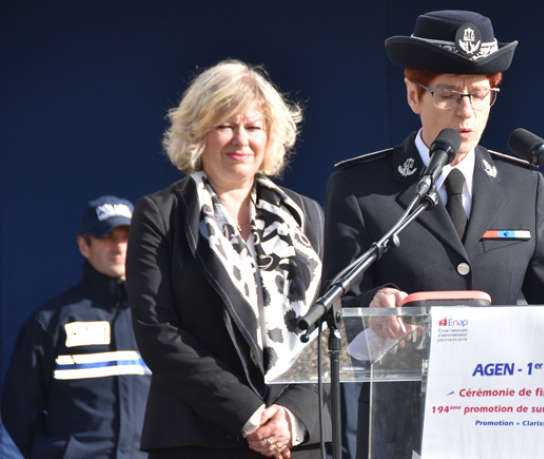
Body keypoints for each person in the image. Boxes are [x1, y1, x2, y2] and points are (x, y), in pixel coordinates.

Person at [323, 9, 544, 458]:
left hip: (499, 425)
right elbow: (338, 307)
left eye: (480, 94)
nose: (466, 111)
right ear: (413, 95)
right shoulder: (362, 188)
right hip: (402, 431)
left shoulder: (522, 186)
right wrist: (373, 309)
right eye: (448, 95)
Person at [125, 59, 329, 459]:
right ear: (198, 133)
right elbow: (158, 331)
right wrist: (248, 414)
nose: (241, 139)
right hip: (200, 437)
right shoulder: (161, 214)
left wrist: (291, 415)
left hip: (297, 438)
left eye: (253, 127)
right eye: (225, 125)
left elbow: (329, 329)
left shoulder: (306, 215)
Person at [1, 195, 151, 458]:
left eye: (127, 236)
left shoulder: (161, 319)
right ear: (84, 245)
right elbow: (19, 412)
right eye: (107, 236)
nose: (119, 247)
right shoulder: (50, 321)